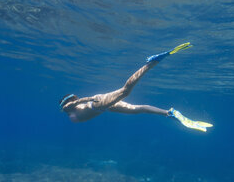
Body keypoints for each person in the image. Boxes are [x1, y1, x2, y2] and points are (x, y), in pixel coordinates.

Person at [59, 43, 213, 132]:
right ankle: (170, 113)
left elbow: (76, 103)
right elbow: (77, 105)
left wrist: (90, 99)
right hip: (103, 106)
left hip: (99, 102)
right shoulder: (70, 109)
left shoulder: (68, 106)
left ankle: (152, 62)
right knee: (137, 109)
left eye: (71, 101)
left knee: (126, 90)